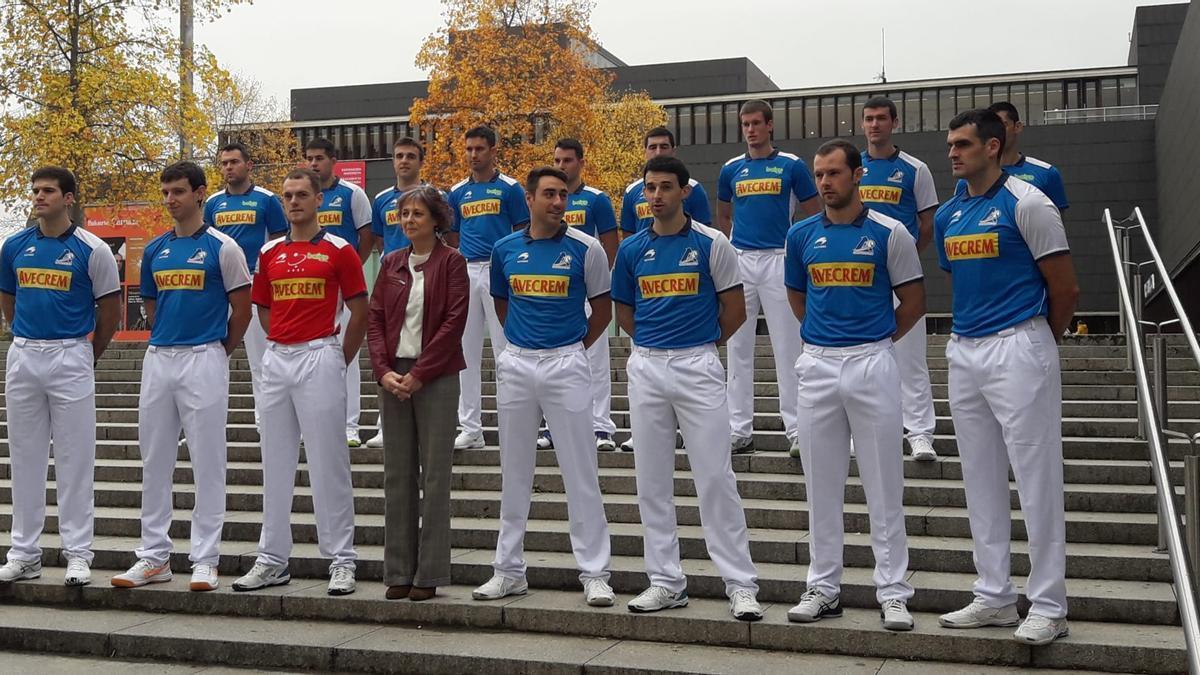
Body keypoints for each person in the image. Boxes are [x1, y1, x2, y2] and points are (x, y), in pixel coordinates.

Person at [934, 109, 1078, 645]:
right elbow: (963, 278)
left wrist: (1039, 340)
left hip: (1020, 342)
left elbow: (1064, 288)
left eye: (964, 144)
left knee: (1036, 478)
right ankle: (994, 595)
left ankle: (1049, 604)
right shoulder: (950, 215)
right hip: (965, 349)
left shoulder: (1029, 202)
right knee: (980, 477)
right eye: (951, 144)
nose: (953, 152)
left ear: (993, 147)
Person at [611, 155, 762, 622]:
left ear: (683, 192)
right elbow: (624, 314)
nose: (655, 196)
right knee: (652, 481)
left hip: (698, 364)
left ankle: (740, 584)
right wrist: (656, 350)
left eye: (664, 187)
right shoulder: (633, 249)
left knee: (715, 477)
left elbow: (734, 311)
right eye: (649, 188)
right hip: (648, 368)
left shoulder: (712, 243)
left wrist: (700, 345)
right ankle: (665, 581)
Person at [783, 140, 922, 631]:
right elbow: (798, 298)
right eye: (819, 174)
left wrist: (875, 340)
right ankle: (823, 587)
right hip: (818, 365)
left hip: (872, 362)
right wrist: (827, 341)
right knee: (821, 485)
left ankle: (893, 591)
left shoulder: (891, 232)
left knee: (884, 485)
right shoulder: (800, 236)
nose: (824, 183)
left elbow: (913, 300)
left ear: (857, 174)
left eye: (834, 173)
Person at [471, 167, 614, 607]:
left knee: (581, 471)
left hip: (566, 363)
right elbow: (501, 302)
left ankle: (594, 572)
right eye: (549, 194)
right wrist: (522, 344)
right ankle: (508, 570)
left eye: (563, 195)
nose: (558, 202)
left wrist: (571, 347)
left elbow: (603, 310)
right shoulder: (504, 249)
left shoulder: (586, 248)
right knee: (514, 471)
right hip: (517, 364)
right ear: (529, 199)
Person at [112, 161, 251, 592]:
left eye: (178, 191)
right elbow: (151, 306)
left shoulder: (223, 247)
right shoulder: (155, 250)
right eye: (166, 192)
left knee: (208, 461)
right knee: (155, 460)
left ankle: (205, 558)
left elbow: (242, 310)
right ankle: (154, 556)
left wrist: (217, 349)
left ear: (200, 194)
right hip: (160, 358)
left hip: (205, 358)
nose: (170, 199)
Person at [234, 168, 368, 596]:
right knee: (274, 461)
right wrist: (281, 342)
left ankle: (341, 559)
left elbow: (359, 310)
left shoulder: (340, 249)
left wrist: (337, 357)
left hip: (320, 354)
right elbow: (263, 307)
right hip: (278, 359)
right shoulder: (269, 252)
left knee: (329, 462)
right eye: (288, 195)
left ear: (318, 201)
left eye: (301, 195)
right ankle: (272, 558)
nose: (293, 202)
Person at [0, 166, 121, 586]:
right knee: (24, 457)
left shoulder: (93, 249)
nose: (39, 196)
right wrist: (24, 337)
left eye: (48, 190)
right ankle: (24, 552)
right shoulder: (14, 245)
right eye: (35, 190)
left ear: (68, 198)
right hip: (25, 354)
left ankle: (78, 553)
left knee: (74, 459)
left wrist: (88, 353)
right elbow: (8, 298)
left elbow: (110, 312)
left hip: (72, 354)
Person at [367, 187, 468, 601]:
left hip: (436, 377)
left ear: (436, 220)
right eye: (404, 214)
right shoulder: (390, 263)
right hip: (394, 379)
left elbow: (453, 321)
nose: (409, 221)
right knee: (397, 476)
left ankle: (428, 575)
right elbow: (375, 322)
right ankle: (398, 571)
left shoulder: (452, 263)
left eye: (418, 214)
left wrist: (420, 374)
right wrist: (384, 371)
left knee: (436, 476)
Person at [716, 99, 819, 456]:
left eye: (757, 123)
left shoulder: (792, 166)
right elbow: (724, 215)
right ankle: (738, 428)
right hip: (741, 261)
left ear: (770, 125)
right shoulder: (731, 169)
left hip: (779, 258)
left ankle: (795, 428)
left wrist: (796, 251)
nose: (750, 129)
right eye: (745, 124)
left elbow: (813, 213)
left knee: (787, 346)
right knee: (737, 348)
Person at [617, 126, 712, 453]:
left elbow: (734, 308)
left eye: (663, 146)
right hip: (647, 301)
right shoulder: (632, 193)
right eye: (651, 147)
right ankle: (644, 430)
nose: (657, 152)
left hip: (694, 347)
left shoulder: (695, 191)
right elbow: (626, 235)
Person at [857, 96, 939, 462]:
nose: (875, 125)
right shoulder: (850, 167)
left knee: (910, 357)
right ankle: (863, 431)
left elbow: (927, 225)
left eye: (881, 119)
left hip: (899, 278)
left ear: (895, 123)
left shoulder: (915, 169)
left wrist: (902, 259)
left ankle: (920, 432)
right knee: (860, 356)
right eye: (869, 119)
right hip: (858, 278)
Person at [445, 126, 530, 450]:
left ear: (493, 151)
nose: (473, 155)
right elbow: (453, 234)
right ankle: (471, 428)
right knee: (465, 352)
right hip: (466, 270)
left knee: (505, 351)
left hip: (499, 272)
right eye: (468, 149)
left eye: (479, 148)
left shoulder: (510, 189)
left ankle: (513, 423)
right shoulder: (456, 192)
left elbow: (522, 230)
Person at [535, 138, 618, 452]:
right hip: (555, 292)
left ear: (581, 162)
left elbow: (610, 247)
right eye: (556, 160)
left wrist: (597, 286)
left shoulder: (596, 200)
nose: (560, 166)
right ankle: (552, 427)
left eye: (567, 160)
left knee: (595, 360)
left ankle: (601, 427)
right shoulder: (545, 201)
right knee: (551, 359)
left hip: (587, 290)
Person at [204, 142, 288, 432]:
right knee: (213, 355)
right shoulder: (213, 203)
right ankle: (206, 422)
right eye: (224, 162)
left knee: (260, 359)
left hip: (253, 285)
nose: (228, 167)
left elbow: (278, 244)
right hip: (218, 289)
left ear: (249, 166)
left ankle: (266, 421)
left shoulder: (267, 200)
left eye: (234, 162)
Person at [366, 136, 439, 450]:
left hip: (427, 276)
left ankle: (444, 420)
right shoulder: (381, 199)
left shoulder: (435, 195)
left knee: (427, 344)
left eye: (411, 155)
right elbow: (380, 240)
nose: (404, 161)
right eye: (399, 156)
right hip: (394, 276)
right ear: (393, 161)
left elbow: (446, 235)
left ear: (421, 161)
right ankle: (386, 425)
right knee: (389, 343)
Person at [305, 137, 374, 447]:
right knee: (311, 354)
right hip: (313, 289)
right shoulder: (305, 198)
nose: (313, 163)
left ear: (333, 160)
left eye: (319, 158)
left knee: (346, 353)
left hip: (344, 286)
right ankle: (314, 423)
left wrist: (351, 272)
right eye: (309, 158)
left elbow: (367, 236)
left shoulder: (352, 194)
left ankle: (349, 425)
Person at [953, 102, 1068, 211]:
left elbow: (1056, 223)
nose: (996, 132)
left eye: (1003, 125)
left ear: (1017, 127)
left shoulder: (1046, 173)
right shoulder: (967, 182)